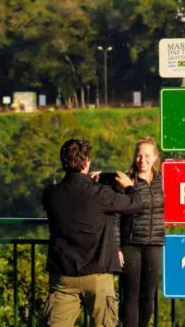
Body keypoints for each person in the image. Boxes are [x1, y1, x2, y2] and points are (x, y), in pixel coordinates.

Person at [43, 139, 141, 327]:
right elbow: (135, 204)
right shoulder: (99, 195)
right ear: (87, 161)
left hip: (63, 275)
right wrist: (129, 186)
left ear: (64, 161)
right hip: (97, 274)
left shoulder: (51, 194)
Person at [119, 137, 164, 327]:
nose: (142, 159)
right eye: (138, 155)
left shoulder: (163, 181)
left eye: (147, 155)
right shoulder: (126, 181)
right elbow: (115, 217)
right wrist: (116, 247)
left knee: (148, 296)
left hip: (154, 243)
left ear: (155, 157)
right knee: (130, 294)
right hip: (131, 244)